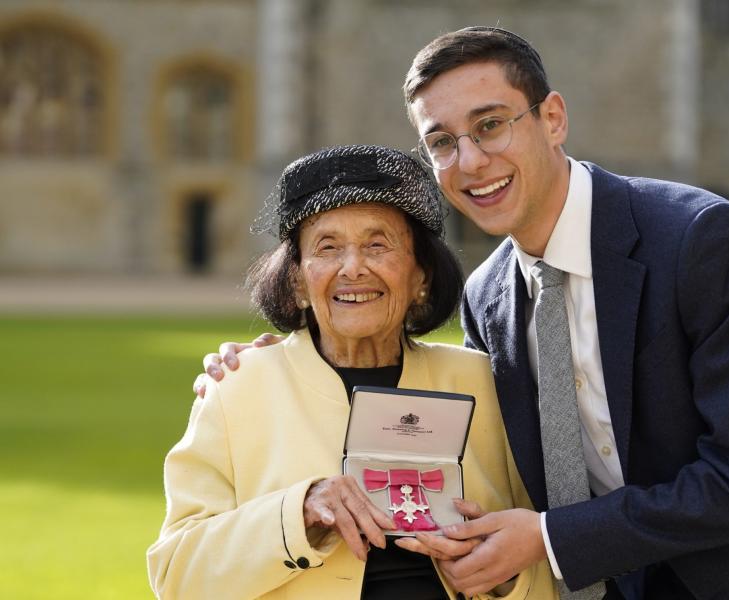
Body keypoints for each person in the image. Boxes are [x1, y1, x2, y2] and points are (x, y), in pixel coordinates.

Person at [195, 28, 729, 600]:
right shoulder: (490, 302)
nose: (472, 161)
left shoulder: (698, 238)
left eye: (492, 124)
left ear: (552, 119)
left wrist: (550, 540)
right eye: (442, 142)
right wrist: (272, 357)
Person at [148, 144, 557, 600]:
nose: (353, 267)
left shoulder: (488, 384)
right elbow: (177, 576)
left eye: (377, 245)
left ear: (421, 276)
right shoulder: (238, 387)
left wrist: (502, 578)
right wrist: (298, 511)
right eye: (327, 248)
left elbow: (547, 557)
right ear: (298, 280)